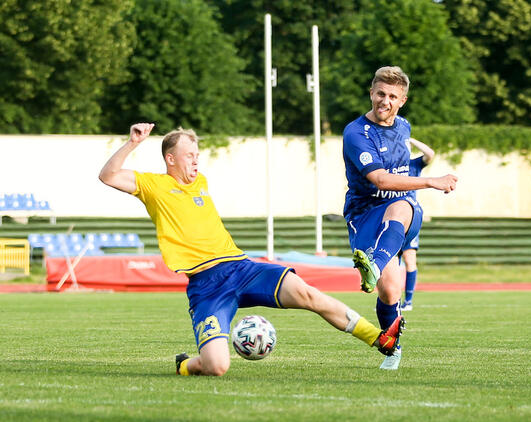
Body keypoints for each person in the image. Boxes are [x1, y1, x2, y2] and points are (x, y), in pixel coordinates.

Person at [99, 122, 404, 377]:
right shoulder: (153, 185)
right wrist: (132, 143)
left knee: (308, 293)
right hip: (206, 287)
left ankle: (380, 339)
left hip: (241, 267)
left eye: (197, 155)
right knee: (217, 367)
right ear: (170, 159)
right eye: (189, 156)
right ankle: (186, 365)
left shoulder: (200, 181)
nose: (196, 161)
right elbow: (108, 176)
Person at [342, 66, 457, 370]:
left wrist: (423, 180)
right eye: (380, 94)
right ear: (371, 93)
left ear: (402, 100)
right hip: (364, 213)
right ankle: (393, 349)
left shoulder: (404, 127)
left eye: (393, 96)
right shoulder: (356, 133)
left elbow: (401, 178)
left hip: (400, 209)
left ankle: (375, 264)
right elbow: (380, 179)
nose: (385, 101)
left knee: (404, 205)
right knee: (391, 290)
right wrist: (431, 181)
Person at [399, 138, 435, 312]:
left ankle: (408, 301)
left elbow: (430, 154)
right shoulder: (389, 167)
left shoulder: (414, 165)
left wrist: (410, 140)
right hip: (391, 217)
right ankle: (391, 301)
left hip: (410, 218)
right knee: (390, 263)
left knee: (409, 259)